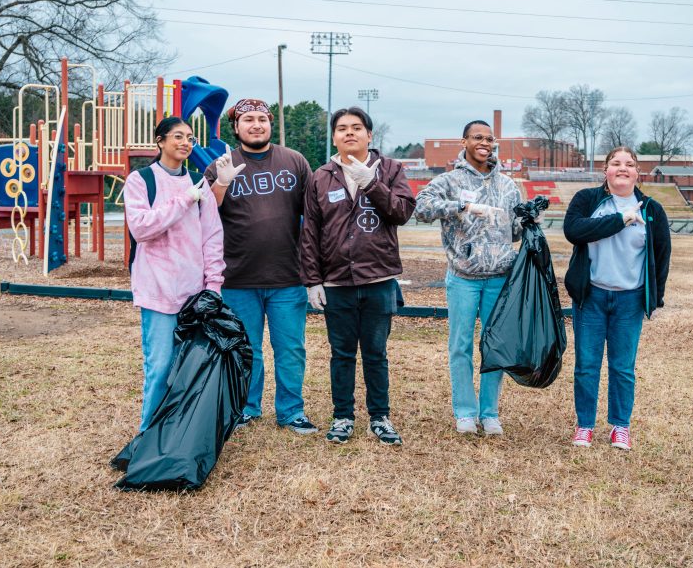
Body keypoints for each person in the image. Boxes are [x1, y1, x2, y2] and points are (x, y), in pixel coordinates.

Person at [299, 107, 415, 446]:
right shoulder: (321, 176)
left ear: (369, 135)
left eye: (356, 128)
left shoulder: (391, 169)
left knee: (376, 352)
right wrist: (312, 280)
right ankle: (342, 416)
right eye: (341, 128)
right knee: (342, 353)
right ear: (334, 136)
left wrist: (372, 183)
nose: (349, 133)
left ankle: (380, 416)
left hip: (378, 279)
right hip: (336, 282)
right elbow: (310, 233)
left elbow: (403, 212)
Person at [204, 98, 318, 435]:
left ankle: (291, 410)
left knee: (290, 348)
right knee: (245, 348)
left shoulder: (294, 161)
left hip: (288, 276)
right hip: (238, 278)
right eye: (248, 119)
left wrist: (315, 272)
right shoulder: (221, 164)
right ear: (236, 127)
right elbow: (203, 214)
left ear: (270, 124)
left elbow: (313, 216)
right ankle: (246, 408)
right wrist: (221, 182)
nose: (256, 125)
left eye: (262, 119)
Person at [414, 120, 522, 436]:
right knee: (460, 345)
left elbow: (514, 231)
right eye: (477, 137)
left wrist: (529, 219)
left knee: (494, 347)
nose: (484, 142)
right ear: (464, 141)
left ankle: (489, 413)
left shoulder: (508, 186)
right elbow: (421, 208)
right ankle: (464, 411)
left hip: (499, 277)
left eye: (489, 138)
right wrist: (463, 206)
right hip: (463, 276)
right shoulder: (449, 181)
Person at [563, 146, 671, 451]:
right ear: (605, 170)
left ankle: (620, 427)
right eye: (615, 163)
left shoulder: (651, 210)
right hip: (591, 296)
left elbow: (661, 256)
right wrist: (620, 219)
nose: (622, 168)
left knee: (623, 367)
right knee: (586, 364)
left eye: (629, 164)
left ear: (638, 172)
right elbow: (574, 230)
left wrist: (655, 297)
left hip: (629, 300)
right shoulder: (588, 200)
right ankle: (584, 425)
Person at [125, 117, 225, 431]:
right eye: (178, 136)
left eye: (190, 138)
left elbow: (212, 236)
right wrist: (184, 200)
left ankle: (180, 434)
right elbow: (141, 228)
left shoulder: (199, 183)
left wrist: (214, 285)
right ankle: (148, 435)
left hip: (194, 293)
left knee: (190, 367)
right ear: (160, 141)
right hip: (158, 291)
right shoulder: (141, 180)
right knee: (160, 366)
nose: (185, 143)